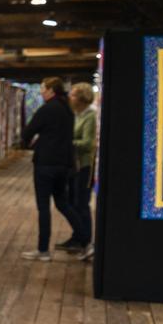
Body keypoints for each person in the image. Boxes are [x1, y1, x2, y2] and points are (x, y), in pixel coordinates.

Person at [20, 76, 81, 261]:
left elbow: (28, 131)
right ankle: (85, 238)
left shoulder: (47, 109)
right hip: (63, 164)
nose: (41, 92)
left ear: (51, 91)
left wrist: (27, 142)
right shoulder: (67, 110)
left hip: (45, 164)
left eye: (43, 88)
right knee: (63, 203)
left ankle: (43, 249)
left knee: (44, 207)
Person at [57, 82, 97, 260]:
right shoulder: (76, 115)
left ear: (81, 98)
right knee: (72, 202)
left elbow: (88, 143)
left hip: (84, 166)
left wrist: (67, 142)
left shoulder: (89, 116)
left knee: (81, 203)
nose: (70, 97)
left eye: (73, 95)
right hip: (74, 165)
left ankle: (85, 240)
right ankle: (77, 237)